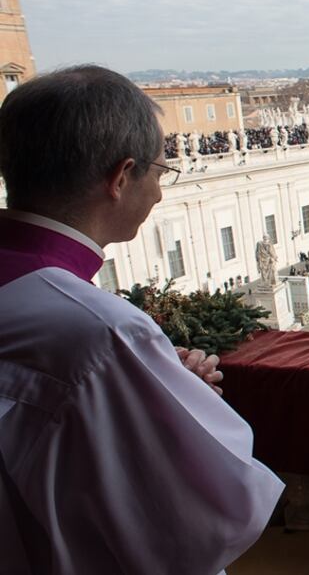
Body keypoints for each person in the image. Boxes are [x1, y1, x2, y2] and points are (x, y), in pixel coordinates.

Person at [0, 66, 284, 573]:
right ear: (120, 177)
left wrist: (153, 382)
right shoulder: (103, 333)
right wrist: (177, 395)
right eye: (159, 171)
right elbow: (220, 507)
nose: (158, 192)